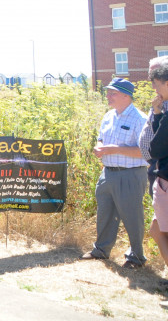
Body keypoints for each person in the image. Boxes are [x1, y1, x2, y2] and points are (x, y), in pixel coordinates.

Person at [81, 77, 148, 267]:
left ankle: (136, 257)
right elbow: (101, 139)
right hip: (108, 173)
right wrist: (99, 147)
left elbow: (144, 152)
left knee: (132, 216)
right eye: (108, 92)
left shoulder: (140, 119)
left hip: (130, 174)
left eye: (113, 93)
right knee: (105, 213)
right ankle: (101, 250)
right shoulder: (109, 116)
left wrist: (114, 149)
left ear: (126, 96)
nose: (108, 96)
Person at [140, 57, 168, 296]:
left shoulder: (165, 109)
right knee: (157, 231)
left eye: (157, 82)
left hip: (165, 176)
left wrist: (158, 114)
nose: (154, 89)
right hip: (159, 173)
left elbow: (157, 148)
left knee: (158, 231)